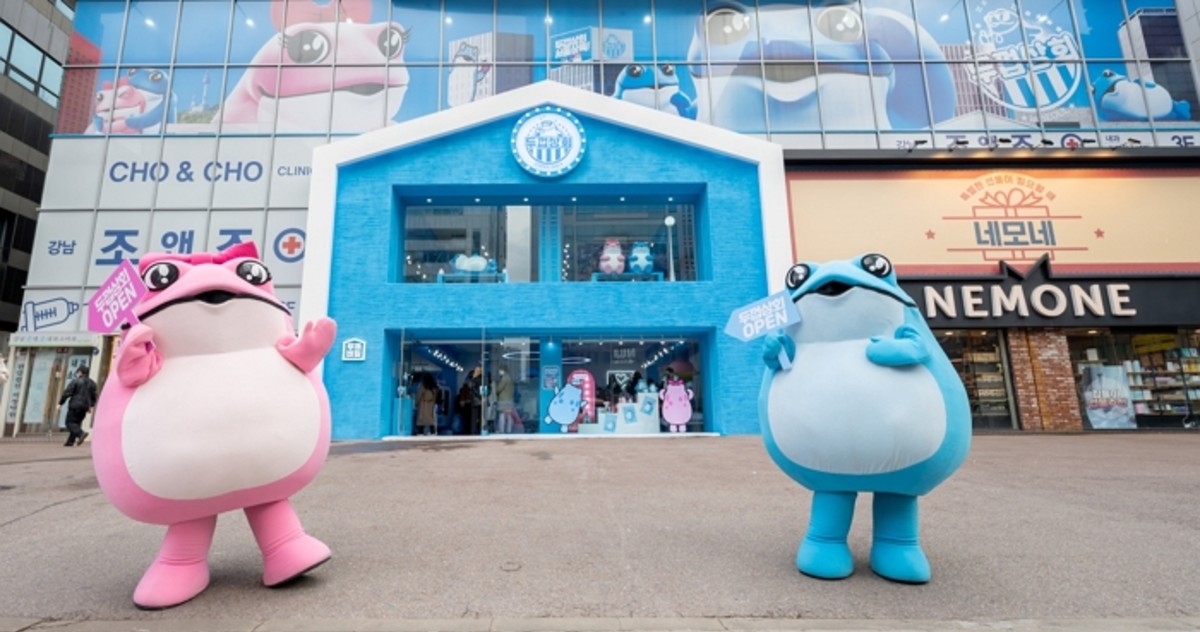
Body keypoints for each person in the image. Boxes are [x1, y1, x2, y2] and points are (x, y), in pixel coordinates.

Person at [58, 366, 98, 447]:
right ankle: (70, 441)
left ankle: (81, 434)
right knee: (76, 423)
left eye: (77, 372)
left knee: (69, 423)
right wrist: (91, 406)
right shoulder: (92, 383)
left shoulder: (76, 381)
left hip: (75, 405)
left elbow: (67, 392)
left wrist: (60, 403)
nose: (77, 374)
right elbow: (94, 396)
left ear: (80, 372)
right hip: (85, 407)